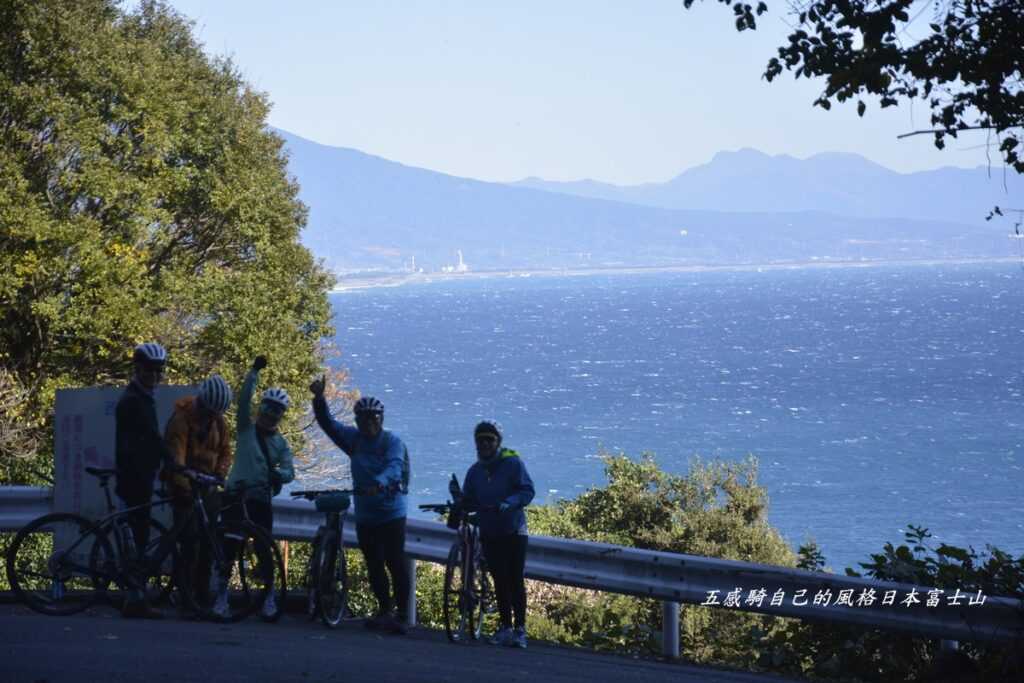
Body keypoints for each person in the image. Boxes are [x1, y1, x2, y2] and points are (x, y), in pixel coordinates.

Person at [310, 376, 410, 634]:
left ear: (381, 419)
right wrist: (319, 400)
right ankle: (384, 610)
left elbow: (395, 466)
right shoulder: (354, 439)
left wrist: (379, 482)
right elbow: (329, 426)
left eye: (374, 418)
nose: (369, 423)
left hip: (391, 512)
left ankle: (400, 614)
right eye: (363, 418)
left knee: (395, 561)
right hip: (366, 514)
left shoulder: (392, 442)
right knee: (374, 563)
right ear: (357, 421)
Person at [224, 355, 295, 619]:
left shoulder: (281, 444)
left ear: (281, 415)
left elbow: (290, 470)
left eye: (277, 410)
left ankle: (269, 598)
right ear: (261, 407)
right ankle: (220, 595)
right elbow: (243, 400)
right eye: (267, 406)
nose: (270, 413)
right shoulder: (245, 429)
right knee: (229, 548)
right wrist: (254, 371)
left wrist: (279, 475)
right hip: (235, 494)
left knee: (264, 550)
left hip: (260, 499)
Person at [457, 420, 535, 649]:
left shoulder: (513, 464)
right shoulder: (475, 471)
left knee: (514, 579)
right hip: (490, 531)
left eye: (489, 439)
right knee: (500, 579)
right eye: (480, 440)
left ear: (498, 442)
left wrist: (509, 503)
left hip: (514, 530)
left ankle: (520, 630)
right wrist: (459, 504)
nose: (484, 444)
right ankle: (505, 627)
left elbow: (527, 490)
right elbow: (468, 499)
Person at [163, 373, 234, 616]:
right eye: (208, 411)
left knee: (208, 541)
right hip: (184, 486)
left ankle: (202, 594)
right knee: (189, 541)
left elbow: (226, 452)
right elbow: (176, 460)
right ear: (201, 402)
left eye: (215, 413)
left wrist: (220, 474)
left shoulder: (219, 422)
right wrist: (185, 487)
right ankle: (185, 596)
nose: (210, 416)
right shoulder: (181, 421)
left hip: (208, 487)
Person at [114, 342, 172, 619]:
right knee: (138, 539)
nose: (155, 375)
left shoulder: (141, 396)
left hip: (140, 475)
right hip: (134, 478)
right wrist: (173, 463)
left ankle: (133, 598)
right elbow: (151, 437)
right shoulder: (134, 400)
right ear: (137, 368)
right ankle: (136, 600)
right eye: (150, 370)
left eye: (159, 371)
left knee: (138, 539)